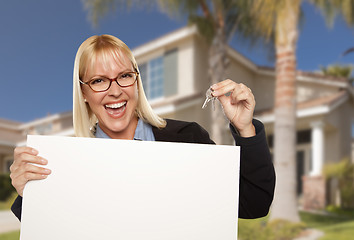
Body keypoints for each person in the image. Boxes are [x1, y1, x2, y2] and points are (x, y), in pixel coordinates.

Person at [10, 34, 275, 221]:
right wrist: (30, 192)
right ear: (83, 93)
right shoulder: (64, 164)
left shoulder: (189, 139)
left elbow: (254, 203)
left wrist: (245, 128)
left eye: (125, 76)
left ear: (137, 82)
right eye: (99, 80)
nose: (115, 91)